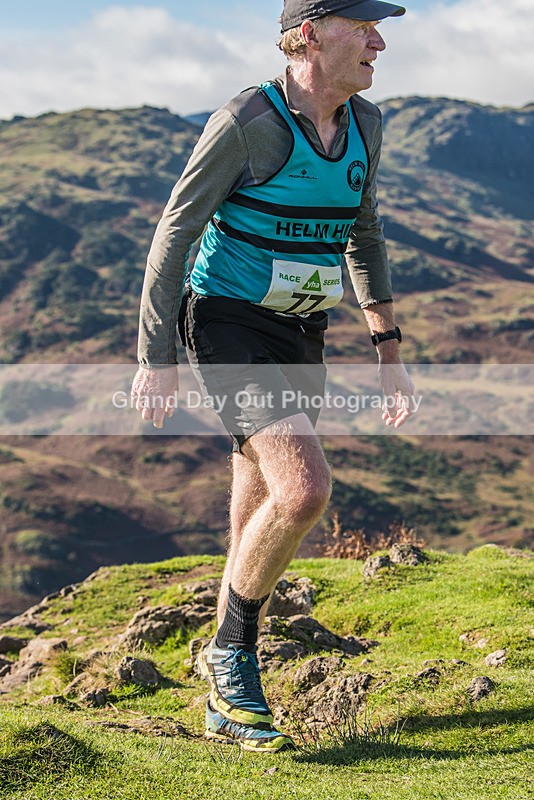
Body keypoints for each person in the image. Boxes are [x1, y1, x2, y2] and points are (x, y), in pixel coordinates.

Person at [131, 0, 414, 752]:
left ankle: (226, 695)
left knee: (260, 489)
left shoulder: (367, 125)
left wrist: (387, 344)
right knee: (304, 489)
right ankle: (230, 651)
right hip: (225, 320)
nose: (380, 42)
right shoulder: (248, 121)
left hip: (301, 326)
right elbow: (175, 233)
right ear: (312, 34)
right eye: (366, 28)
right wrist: (153, 358)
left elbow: (363, 229)